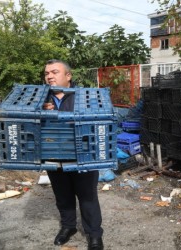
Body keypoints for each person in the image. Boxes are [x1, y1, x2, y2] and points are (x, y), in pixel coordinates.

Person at [42, 59, 104, 250]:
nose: (49, 76)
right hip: (54, 155)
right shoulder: (41, 98)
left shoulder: (84, 96)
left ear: (68, 76)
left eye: (54, 72)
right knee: (62, 196)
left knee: (87, 197)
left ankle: (94, 234)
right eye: (46, 73)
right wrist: (41, 112)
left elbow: (97, 120)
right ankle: (68, 227)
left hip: (82, 156)